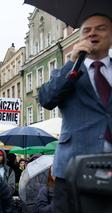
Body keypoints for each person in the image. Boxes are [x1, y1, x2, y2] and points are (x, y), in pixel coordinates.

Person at [38, 14, 112, 213]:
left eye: (101, 28)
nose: (93, 33)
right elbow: (46, 99)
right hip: (73, 168)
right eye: (87, 30)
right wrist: (72, 64)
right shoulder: (68, 71)